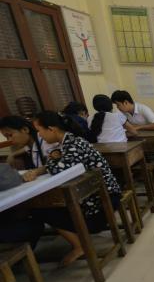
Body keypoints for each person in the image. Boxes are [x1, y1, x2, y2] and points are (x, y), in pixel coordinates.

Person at [31, 111, 121, 267]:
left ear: (51, 129)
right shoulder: (69, 142)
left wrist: (47, 164)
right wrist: (51, 161)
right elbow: (59, 164)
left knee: (41, 210)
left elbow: (60, 168)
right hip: (101, 198)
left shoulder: (73, 144)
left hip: (99, 207)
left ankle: (80, 246)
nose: (40, 135)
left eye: (40, 130)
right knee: (48, 206)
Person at [0, 115, 57, 181]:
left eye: (10, 135)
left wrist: (35, 172)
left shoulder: (45, 140)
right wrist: (12, 154)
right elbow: (26, 148)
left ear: (25, 129)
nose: (9, 140)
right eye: (6, 137)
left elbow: (56, 163)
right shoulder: (30, 145)